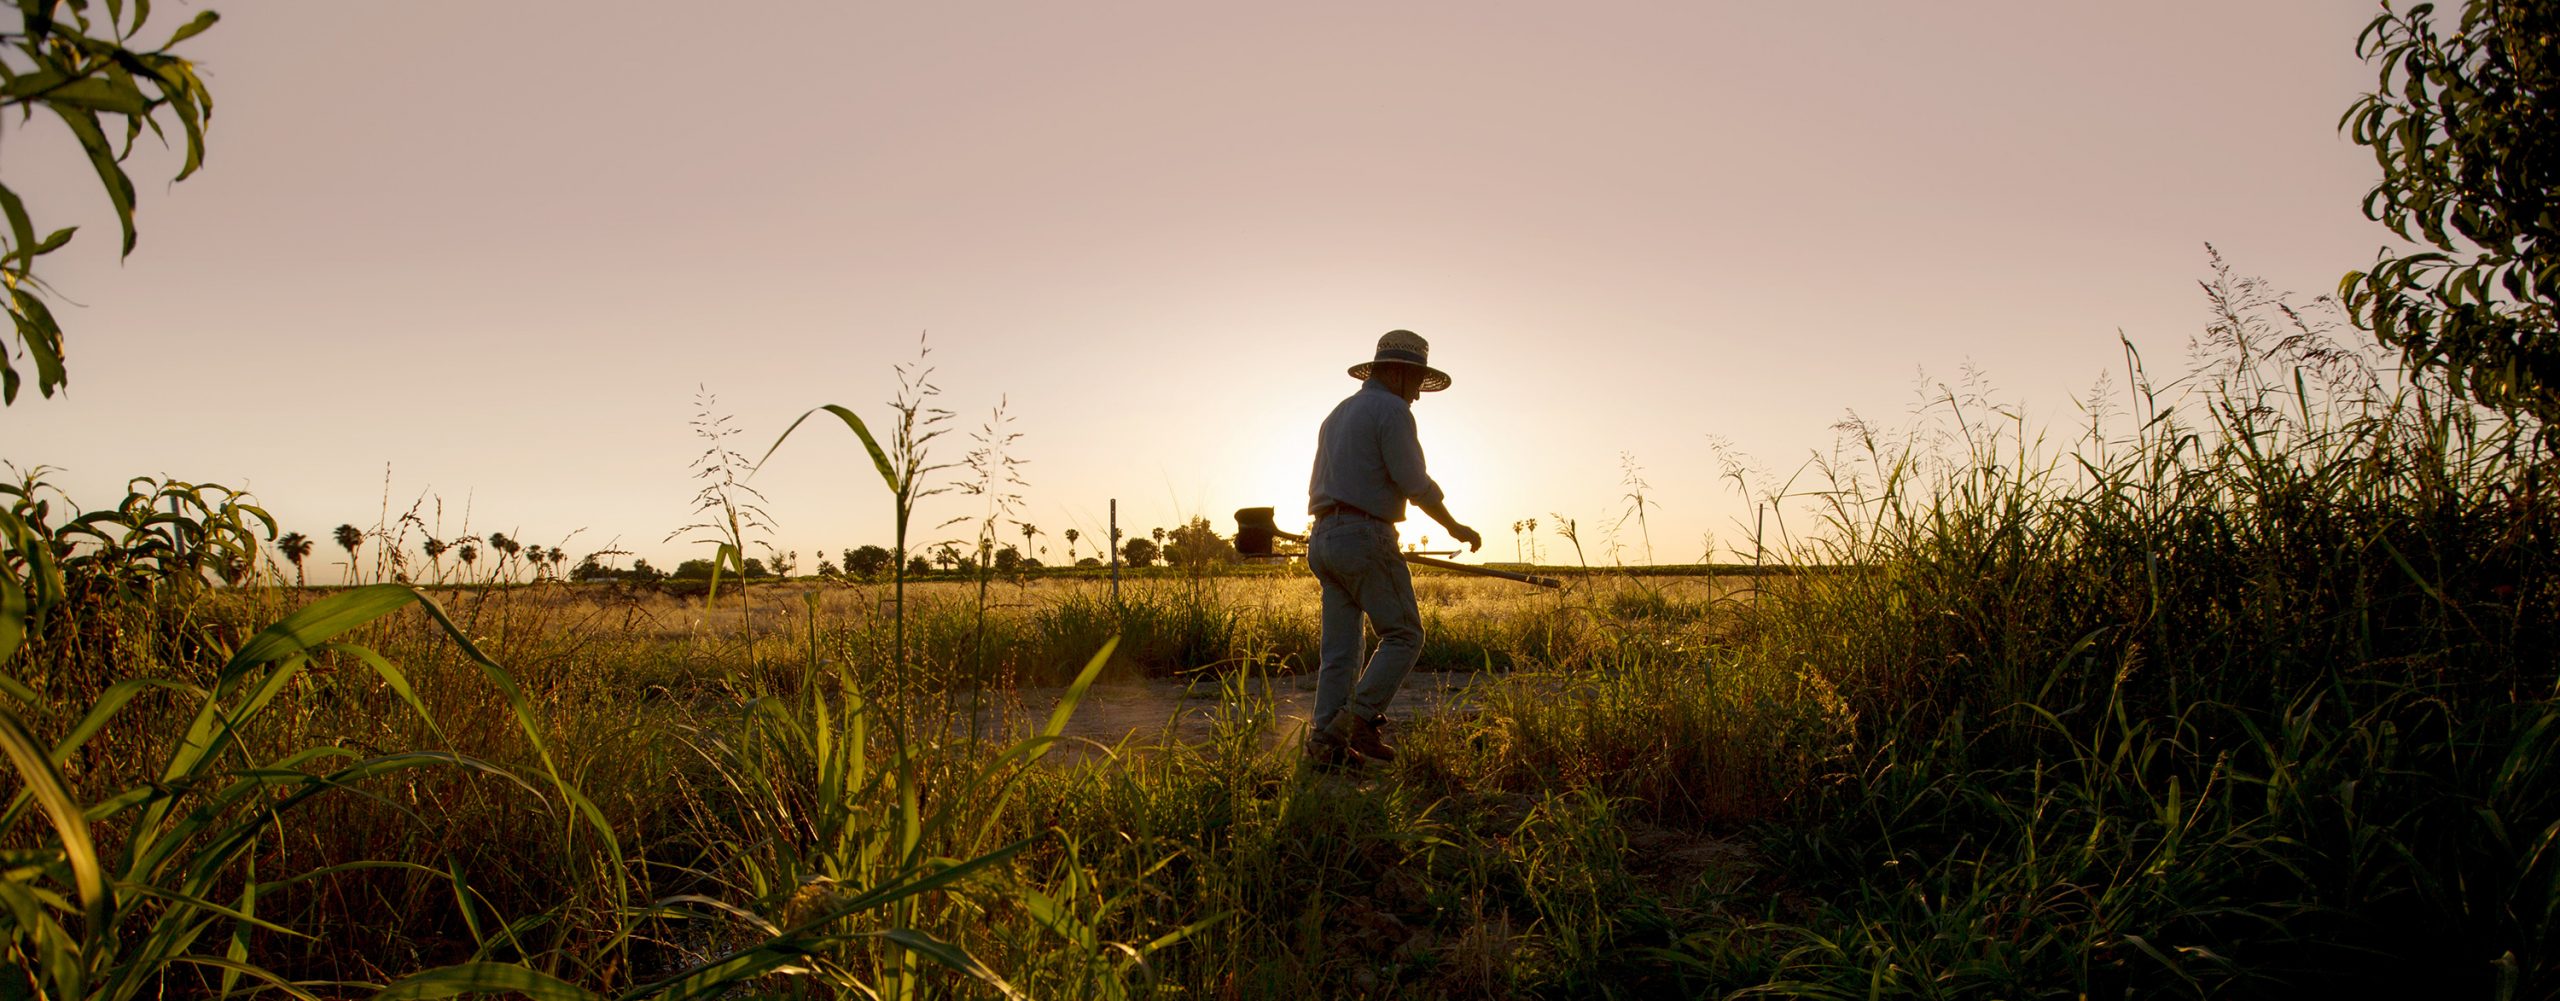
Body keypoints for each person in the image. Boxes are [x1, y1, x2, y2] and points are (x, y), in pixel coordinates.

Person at [1303, 329, 1482, 769]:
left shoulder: (1339, 413)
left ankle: (1327, 745)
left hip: (1324, 537)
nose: (1418, 395)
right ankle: (1358, 721)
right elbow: (1412, 480)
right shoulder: (1392, 410)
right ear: (1401, 373)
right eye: (1418, 382)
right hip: (1365, 535)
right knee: (1404, 634)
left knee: (1341, 652)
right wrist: (1454, 526)